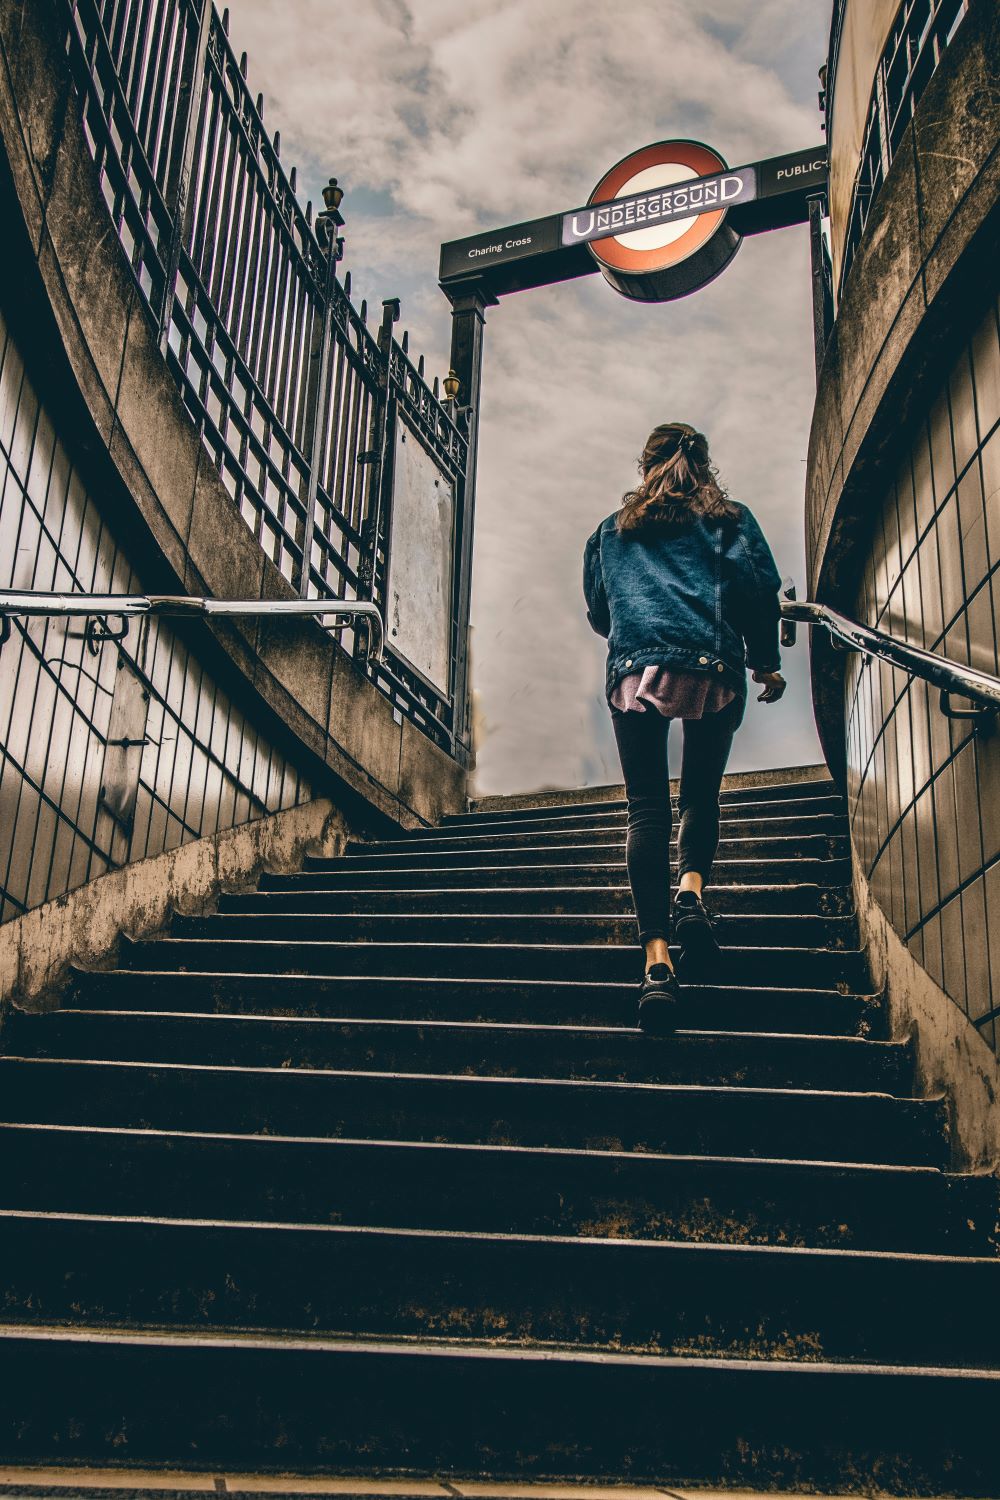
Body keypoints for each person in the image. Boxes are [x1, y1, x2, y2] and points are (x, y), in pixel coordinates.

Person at [583, 421, 786, 1035]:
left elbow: (599, 610)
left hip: (634, 671)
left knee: (646, 810)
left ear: (646, 466)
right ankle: (692, 893)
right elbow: (760, 589)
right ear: (703, 465)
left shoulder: (610, 531)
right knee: (699, 794)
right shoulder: (730, 519)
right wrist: (766, 664)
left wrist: (639, 629)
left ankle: (657, 967)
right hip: (711, 666)